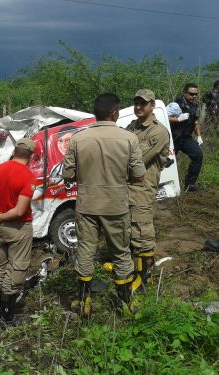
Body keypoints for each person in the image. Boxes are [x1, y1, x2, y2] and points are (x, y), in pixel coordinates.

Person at [62, 93, 146, 316]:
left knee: (86, 251)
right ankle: (126, 302)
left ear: (95, 113)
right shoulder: (129, 139)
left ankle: (83, 302)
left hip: (87, 205)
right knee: (121, 252)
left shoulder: (78, 139)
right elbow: (139, 176)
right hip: (116, 205)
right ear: (115, 113)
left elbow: (68, 175)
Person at [0, 138, 37, 325]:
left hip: (2, 230)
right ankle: (8, 316)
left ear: (14, 151)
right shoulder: (28, 177)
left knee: (0, 266)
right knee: (16, 270)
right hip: (19, 227)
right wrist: (0, 217)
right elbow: (20, 211)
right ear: (31, 155)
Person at [126, 89, 170, 287]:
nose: (138, 107)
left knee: (142, 231)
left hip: (142, 189)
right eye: (136, 103)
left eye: (143, 103)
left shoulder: (157, 131)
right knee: (128, 230)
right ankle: (132, 270)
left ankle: (143, 278)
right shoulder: (131, 127)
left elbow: (137, 159)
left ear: (152, 105)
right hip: (126, 188)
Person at [168, 83, 203, 192]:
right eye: (191, 94)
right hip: (174, 139)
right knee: (167, 162)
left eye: (196, 94)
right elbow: (163, 116)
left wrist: (199, 136)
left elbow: (196, 122)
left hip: (186, 138)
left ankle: (190, 185)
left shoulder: (194, 106)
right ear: (184, 93)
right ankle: (164, 187)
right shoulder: (176, 105)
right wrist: (177, 119)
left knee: (198, 155)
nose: (194, 96)